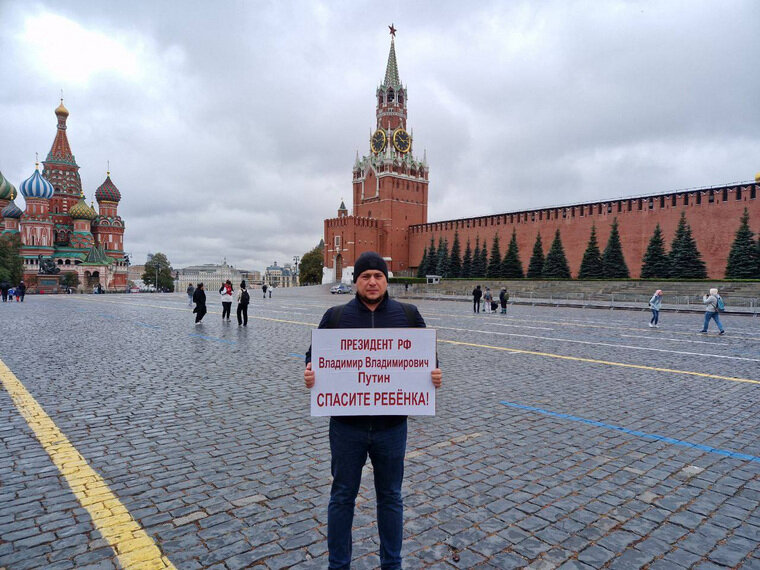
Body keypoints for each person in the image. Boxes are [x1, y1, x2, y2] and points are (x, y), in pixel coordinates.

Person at [303, 251, 442, 570]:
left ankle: (391, 564)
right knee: (341, 499)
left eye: (378, 275)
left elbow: (427, 361)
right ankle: (339, 565)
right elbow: (314, 357)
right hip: (346, 428)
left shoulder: (408, 315)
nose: (372, 281)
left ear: (386, 279)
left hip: (391, 429)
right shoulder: (335, 317)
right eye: (365, 276)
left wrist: (435, 373)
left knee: (391, 498)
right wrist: (309, 372)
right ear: (356, 282)